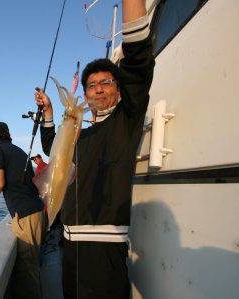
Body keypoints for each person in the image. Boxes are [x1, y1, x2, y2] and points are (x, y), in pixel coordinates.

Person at [34, 0, 154, 297]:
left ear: (118, 88)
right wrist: (49, 114)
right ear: (85, 92)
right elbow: (55, 150)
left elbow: (138, 62)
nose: (98, 89)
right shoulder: (83, 135)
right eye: (91, 85)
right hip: (69, 246)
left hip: (104, 250)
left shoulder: (125, 122)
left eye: (106, 82)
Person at [0, 121, 46, 298]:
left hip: (25, 215)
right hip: (37, 211)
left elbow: (0, 184)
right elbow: (16, 178)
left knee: (27, 273)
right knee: (32, 266)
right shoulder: (19, 151)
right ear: (8, 134)